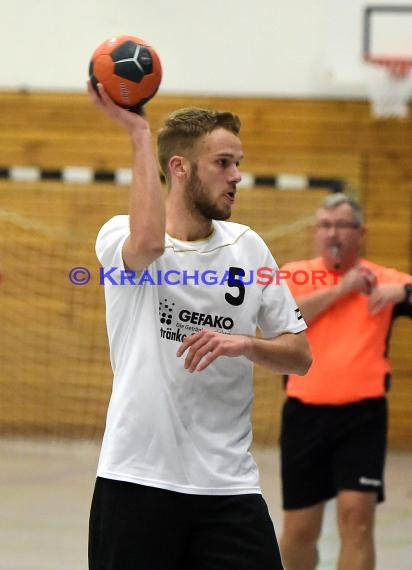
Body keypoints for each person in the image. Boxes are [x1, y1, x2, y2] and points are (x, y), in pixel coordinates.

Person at [86, 80, 312, 570]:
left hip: (227, 486)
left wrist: (245, 344)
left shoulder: (248, 247)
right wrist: (140, 134)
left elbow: (300, 355)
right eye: (222, 163)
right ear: (179, 167)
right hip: (137, 478)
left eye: (238, 164)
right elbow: (148, 245)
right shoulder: (118, 235)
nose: (236, 177)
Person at [278, 192, 412, 570]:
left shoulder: (383, 278)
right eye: (324, 225)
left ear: (361, 233)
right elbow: (284, 319)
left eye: (340, 225)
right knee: (299, 531)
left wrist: (402, 292)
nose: (332, 233)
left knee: (356, 517)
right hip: (305, 417)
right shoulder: (295, 273)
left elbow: (405, 290)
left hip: (362, 417)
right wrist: (343, 289)